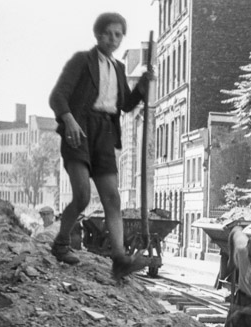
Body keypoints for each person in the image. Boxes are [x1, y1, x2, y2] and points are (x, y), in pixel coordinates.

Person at [49, 12, 153, 279]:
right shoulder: (82, 61)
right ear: (97, 34)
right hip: (80, 129)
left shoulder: (118, 68)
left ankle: (119, 259)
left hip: (106, 133)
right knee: (82, 195)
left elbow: (126, 106)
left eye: (119, 35)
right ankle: (61, 242)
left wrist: (141, 88)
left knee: (113, 198)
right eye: (108, 33)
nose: (113, 39)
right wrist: (69, 121)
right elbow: (58, 96)